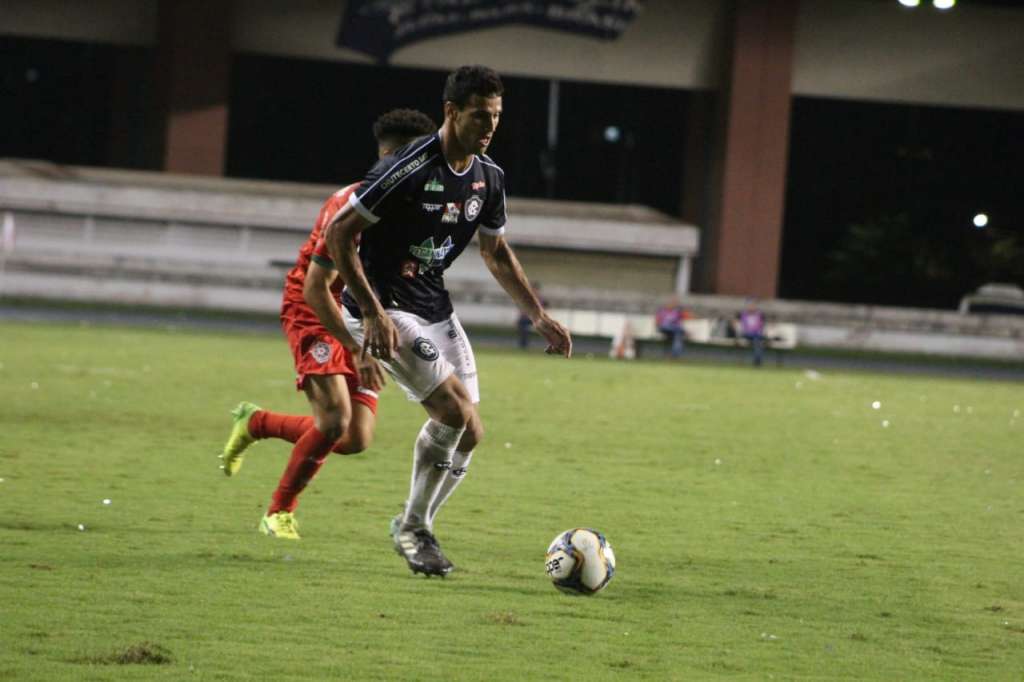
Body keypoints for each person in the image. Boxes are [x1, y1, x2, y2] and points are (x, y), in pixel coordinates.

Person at [322, 65, 572, 577]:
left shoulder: (489, 177)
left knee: (471, 431)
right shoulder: (408, 168)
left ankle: (414, 526)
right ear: (452, 112)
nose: (490, 126)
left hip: (433, 304)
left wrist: (538, 314)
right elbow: (339, 235)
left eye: (497, 116)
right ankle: (415, 530)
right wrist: (369, 311)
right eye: (481, 115)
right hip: (382, 307)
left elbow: (496, 251)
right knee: (453, 411)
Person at [218, 109, 439, 540]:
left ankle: (256, 423)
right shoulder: (352, 207)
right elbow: (317, 289)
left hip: (367, 314)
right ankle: (278, 512)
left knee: (354, 438)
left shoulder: (415, 207)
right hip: (316, 309)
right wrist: (356, 347)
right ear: (396, 158)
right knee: (335, 421)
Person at [517, 282, 548, 349]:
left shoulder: (541, 299)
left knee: (546, 326)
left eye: (535, 289)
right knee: (522, 324)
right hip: (527, 319)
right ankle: (523, 345)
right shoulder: (526, 298)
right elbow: (522, 310)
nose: (534, 291)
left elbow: (543, 311)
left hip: (536, 319)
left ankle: (550, 345)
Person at [736, 299, 766, 367]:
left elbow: (760, 326)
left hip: (756, 335)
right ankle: (757, 361)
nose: (751, 307)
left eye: (753, 305)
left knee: (757, 342)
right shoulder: (743, 315)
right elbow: (743, 326)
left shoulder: (759, 315)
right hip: (746, 334)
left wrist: (757, 331)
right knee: (757, 341)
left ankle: (757, 360)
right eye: (750, 305)